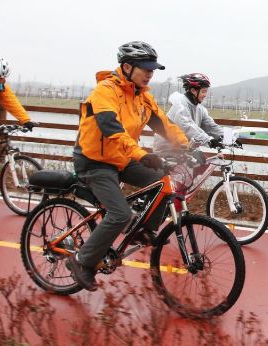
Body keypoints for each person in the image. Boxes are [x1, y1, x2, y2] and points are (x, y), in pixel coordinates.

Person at [68, 41, 189, 291]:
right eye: (145, 68)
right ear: (126, 67)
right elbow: (112, 130)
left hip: (121, 158)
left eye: (152, 69)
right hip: (94, 161)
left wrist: (186, 148)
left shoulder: (142, 97)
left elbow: (164, 125)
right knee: (120, 213)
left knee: (162, 180)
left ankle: (143, 230)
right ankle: (81, 261)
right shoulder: (105, 91)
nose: (150, 73)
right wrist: (140, 154)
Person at [153, 73, 228, 151]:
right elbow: (187, 126)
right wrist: (208, 140)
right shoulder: (180, 105)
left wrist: (226, 137)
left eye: (206, 91)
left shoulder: (199, 108)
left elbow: (210, 125)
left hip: (183, 148)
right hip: (166, 148)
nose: (205, 95)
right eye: (203, 91)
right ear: (193, 91)